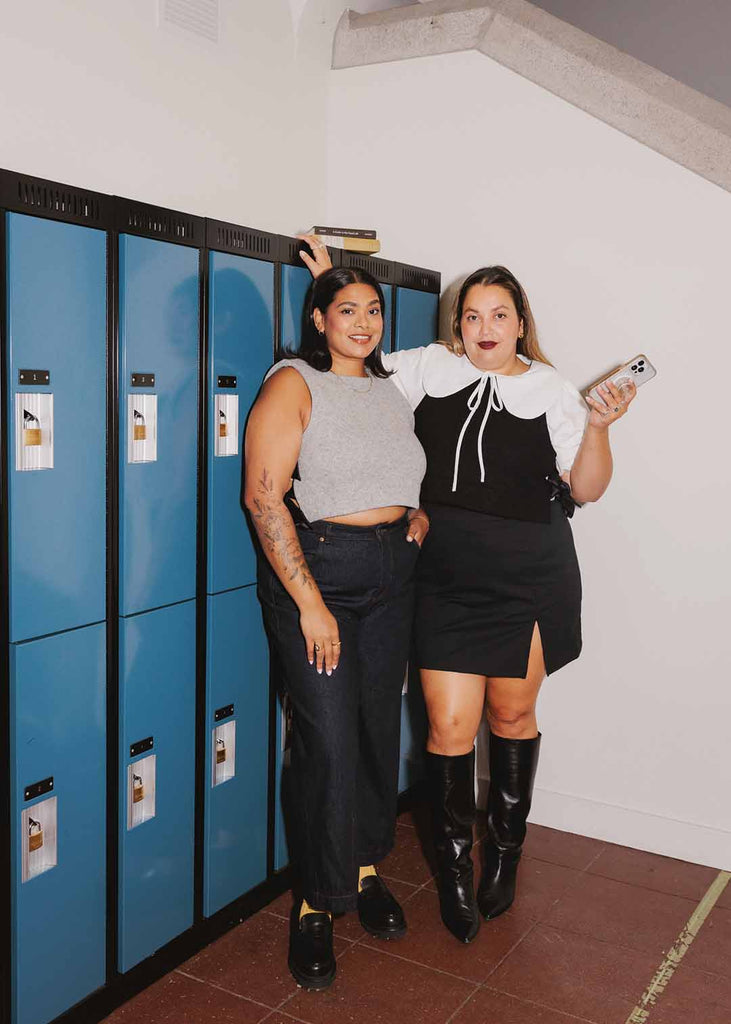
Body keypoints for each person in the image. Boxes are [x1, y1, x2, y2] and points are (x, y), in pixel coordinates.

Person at [299, 243, 636, 944]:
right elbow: (353, 360)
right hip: (445, 581)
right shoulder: (428, 367)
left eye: (500, 315)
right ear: (457, 325)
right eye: (473, 315)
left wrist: (598, 426)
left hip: (528, 581)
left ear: (520, 324)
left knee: (511, 718)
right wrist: (333, 288)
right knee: (448, 729)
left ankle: (503, 857)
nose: (485, 327)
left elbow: (584, 488)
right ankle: (452, 873)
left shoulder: (551, 389)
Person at [244, 265, 428, 989]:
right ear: (316, 319)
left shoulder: (386, 389)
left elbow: (398, 471)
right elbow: (263, 498)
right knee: (324, 737)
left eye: (373, 310)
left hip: (390, 574)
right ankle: (315, 904)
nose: (362, 322)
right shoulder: (292, 381)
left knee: (376, 729)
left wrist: (413, 516)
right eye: (344, 309)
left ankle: (361, 866)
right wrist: (310, 603)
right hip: (317, 576)